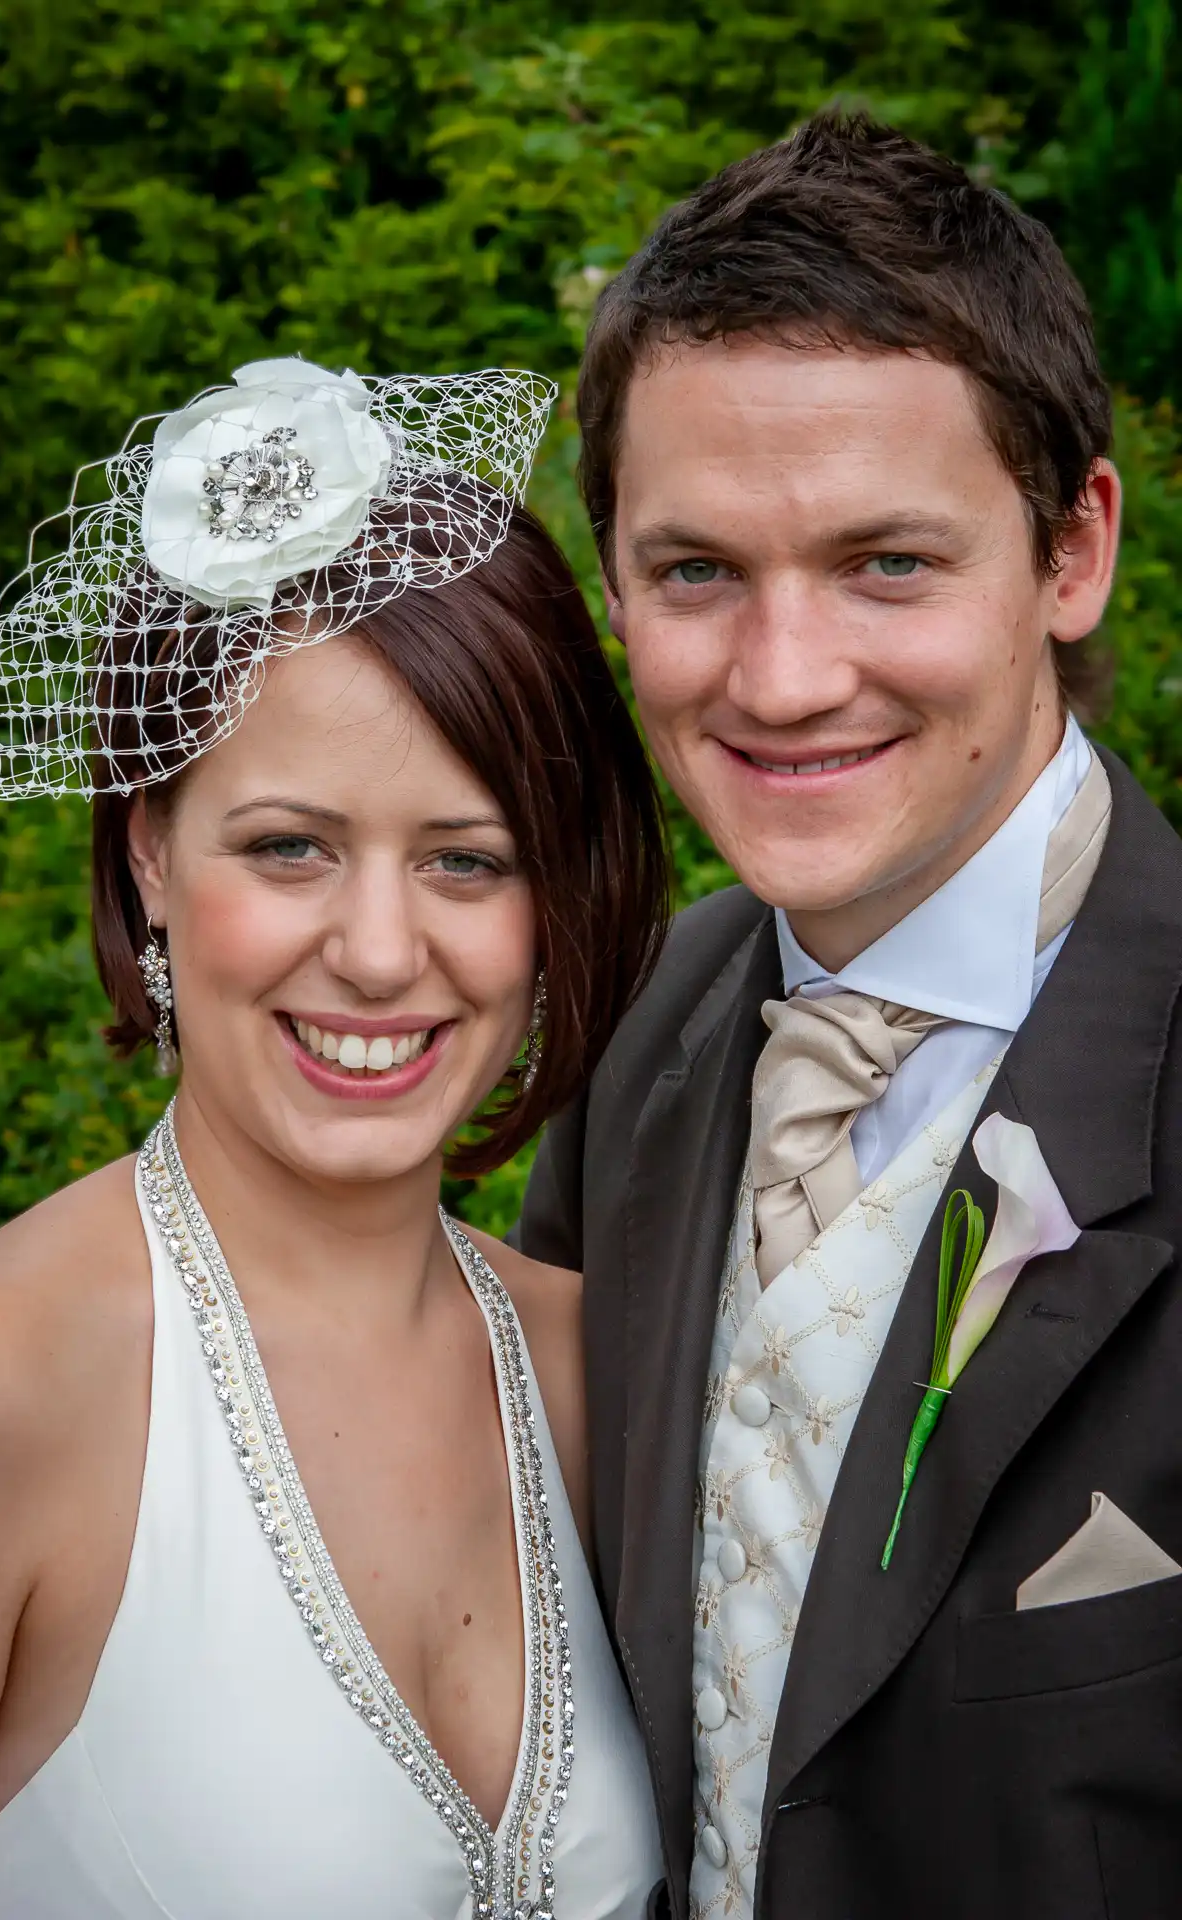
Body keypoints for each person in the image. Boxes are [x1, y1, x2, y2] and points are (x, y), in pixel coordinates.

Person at [516, 113, 1182, 1920]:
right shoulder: (631, 1034)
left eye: (888, 562)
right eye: (696, 571)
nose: (785, 678)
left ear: (1071, 552)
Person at [0, 359, 669, 1918]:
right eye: (291, 847)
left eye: (466, 861)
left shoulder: (600, 1374)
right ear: (152, 855)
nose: (380, 953)